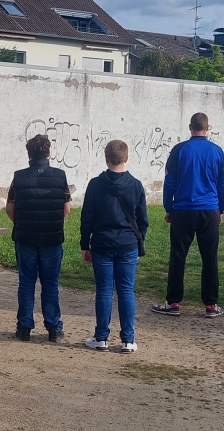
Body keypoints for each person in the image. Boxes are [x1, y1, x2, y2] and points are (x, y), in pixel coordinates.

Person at [152, 112, 224, 318]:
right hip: (209, 209)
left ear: (190, 127)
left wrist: (169, 207)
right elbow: (223, 183)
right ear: (208, 127)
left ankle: (174, 302)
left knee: (178, 256)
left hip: (184, 209)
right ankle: (211, 305)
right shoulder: (217, 151)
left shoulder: (179, 150)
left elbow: (170, 181)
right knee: (209, 257)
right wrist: (221, 209)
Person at [81, 140, 148, 353]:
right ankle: (128, 339)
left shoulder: (95, 184)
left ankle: (101, 337)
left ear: (106, 158)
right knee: (126, 290)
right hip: (128, 243)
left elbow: (87, 217)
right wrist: (139, 241)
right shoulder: (136, 185)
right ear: (126, 158)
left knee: (104, 290)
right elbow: (142, 219)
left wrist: (85, 244)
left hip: (102, 243)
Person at [7, 134, 72, 343]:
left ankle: (24, 328)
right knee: (50, 284)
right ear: (49, 152)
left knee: (26, 283)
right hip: (52, 237)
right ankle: (54, 328)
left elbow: (10, 208)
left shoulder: (18, 177)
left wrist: (22, 222)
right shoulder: (60, 176)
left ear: (29, 153)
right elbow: (67, 208)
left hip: (25, 236)